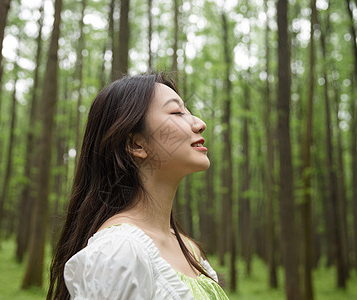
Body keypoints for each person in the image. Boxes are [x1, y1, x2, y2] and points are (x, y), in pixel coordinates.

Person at [48, 72, 229, 300]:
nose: (200, 123)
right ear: (136, 143)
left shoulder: (188, 248)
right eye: (176, 112)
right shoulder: (119, 251)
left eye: (189, 111)